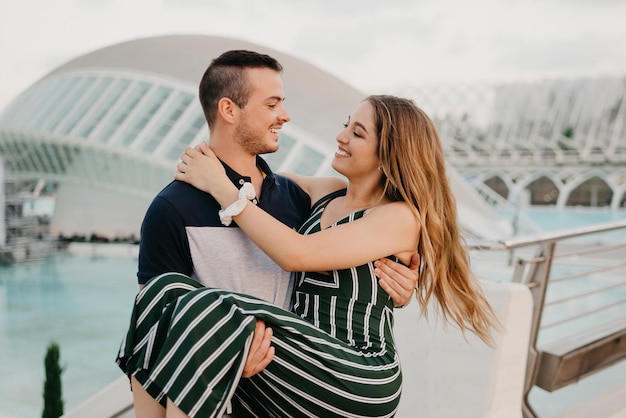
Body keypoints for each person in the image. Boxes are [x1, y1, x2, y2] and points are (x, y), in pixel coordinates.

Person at [117, 94, 499, 417]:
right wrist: (208, 168)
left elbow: (294, 253)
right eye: (347, 125)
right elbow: (255, 176)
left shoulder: (399, 218)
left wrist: (219, 186)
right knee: (161, 293)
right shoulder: (326, 193)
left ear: (389, 155)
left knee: (205, 312)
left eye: (357, 133)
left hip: (358, 371)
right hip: (299, 357)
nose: (341, 136)